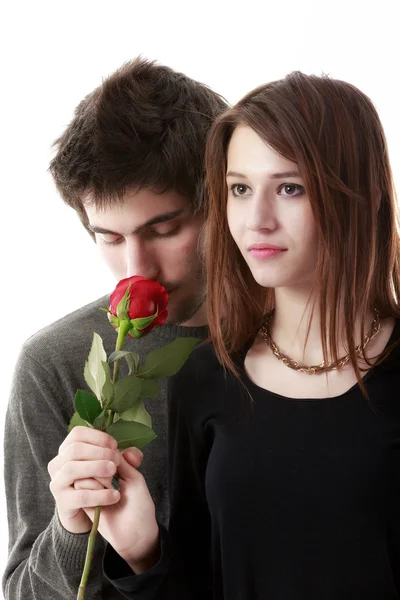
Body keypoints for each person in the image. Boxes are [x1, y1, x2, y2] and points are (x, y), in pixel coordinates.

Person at [94, 72, 400, 599]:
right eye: (239, 189)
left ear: (363, 195)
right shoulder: (205, 377)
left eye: (289, 188)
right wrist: (143, 552)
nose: (256, 220)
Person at [3, 57, 227, 600]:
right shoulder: (55, 362)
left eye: (165, 228)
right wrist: (72, 527)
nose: (137, 268)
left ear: (223, 200)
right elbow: (25, 593)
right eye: (108, 236)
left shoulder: (301, 340)